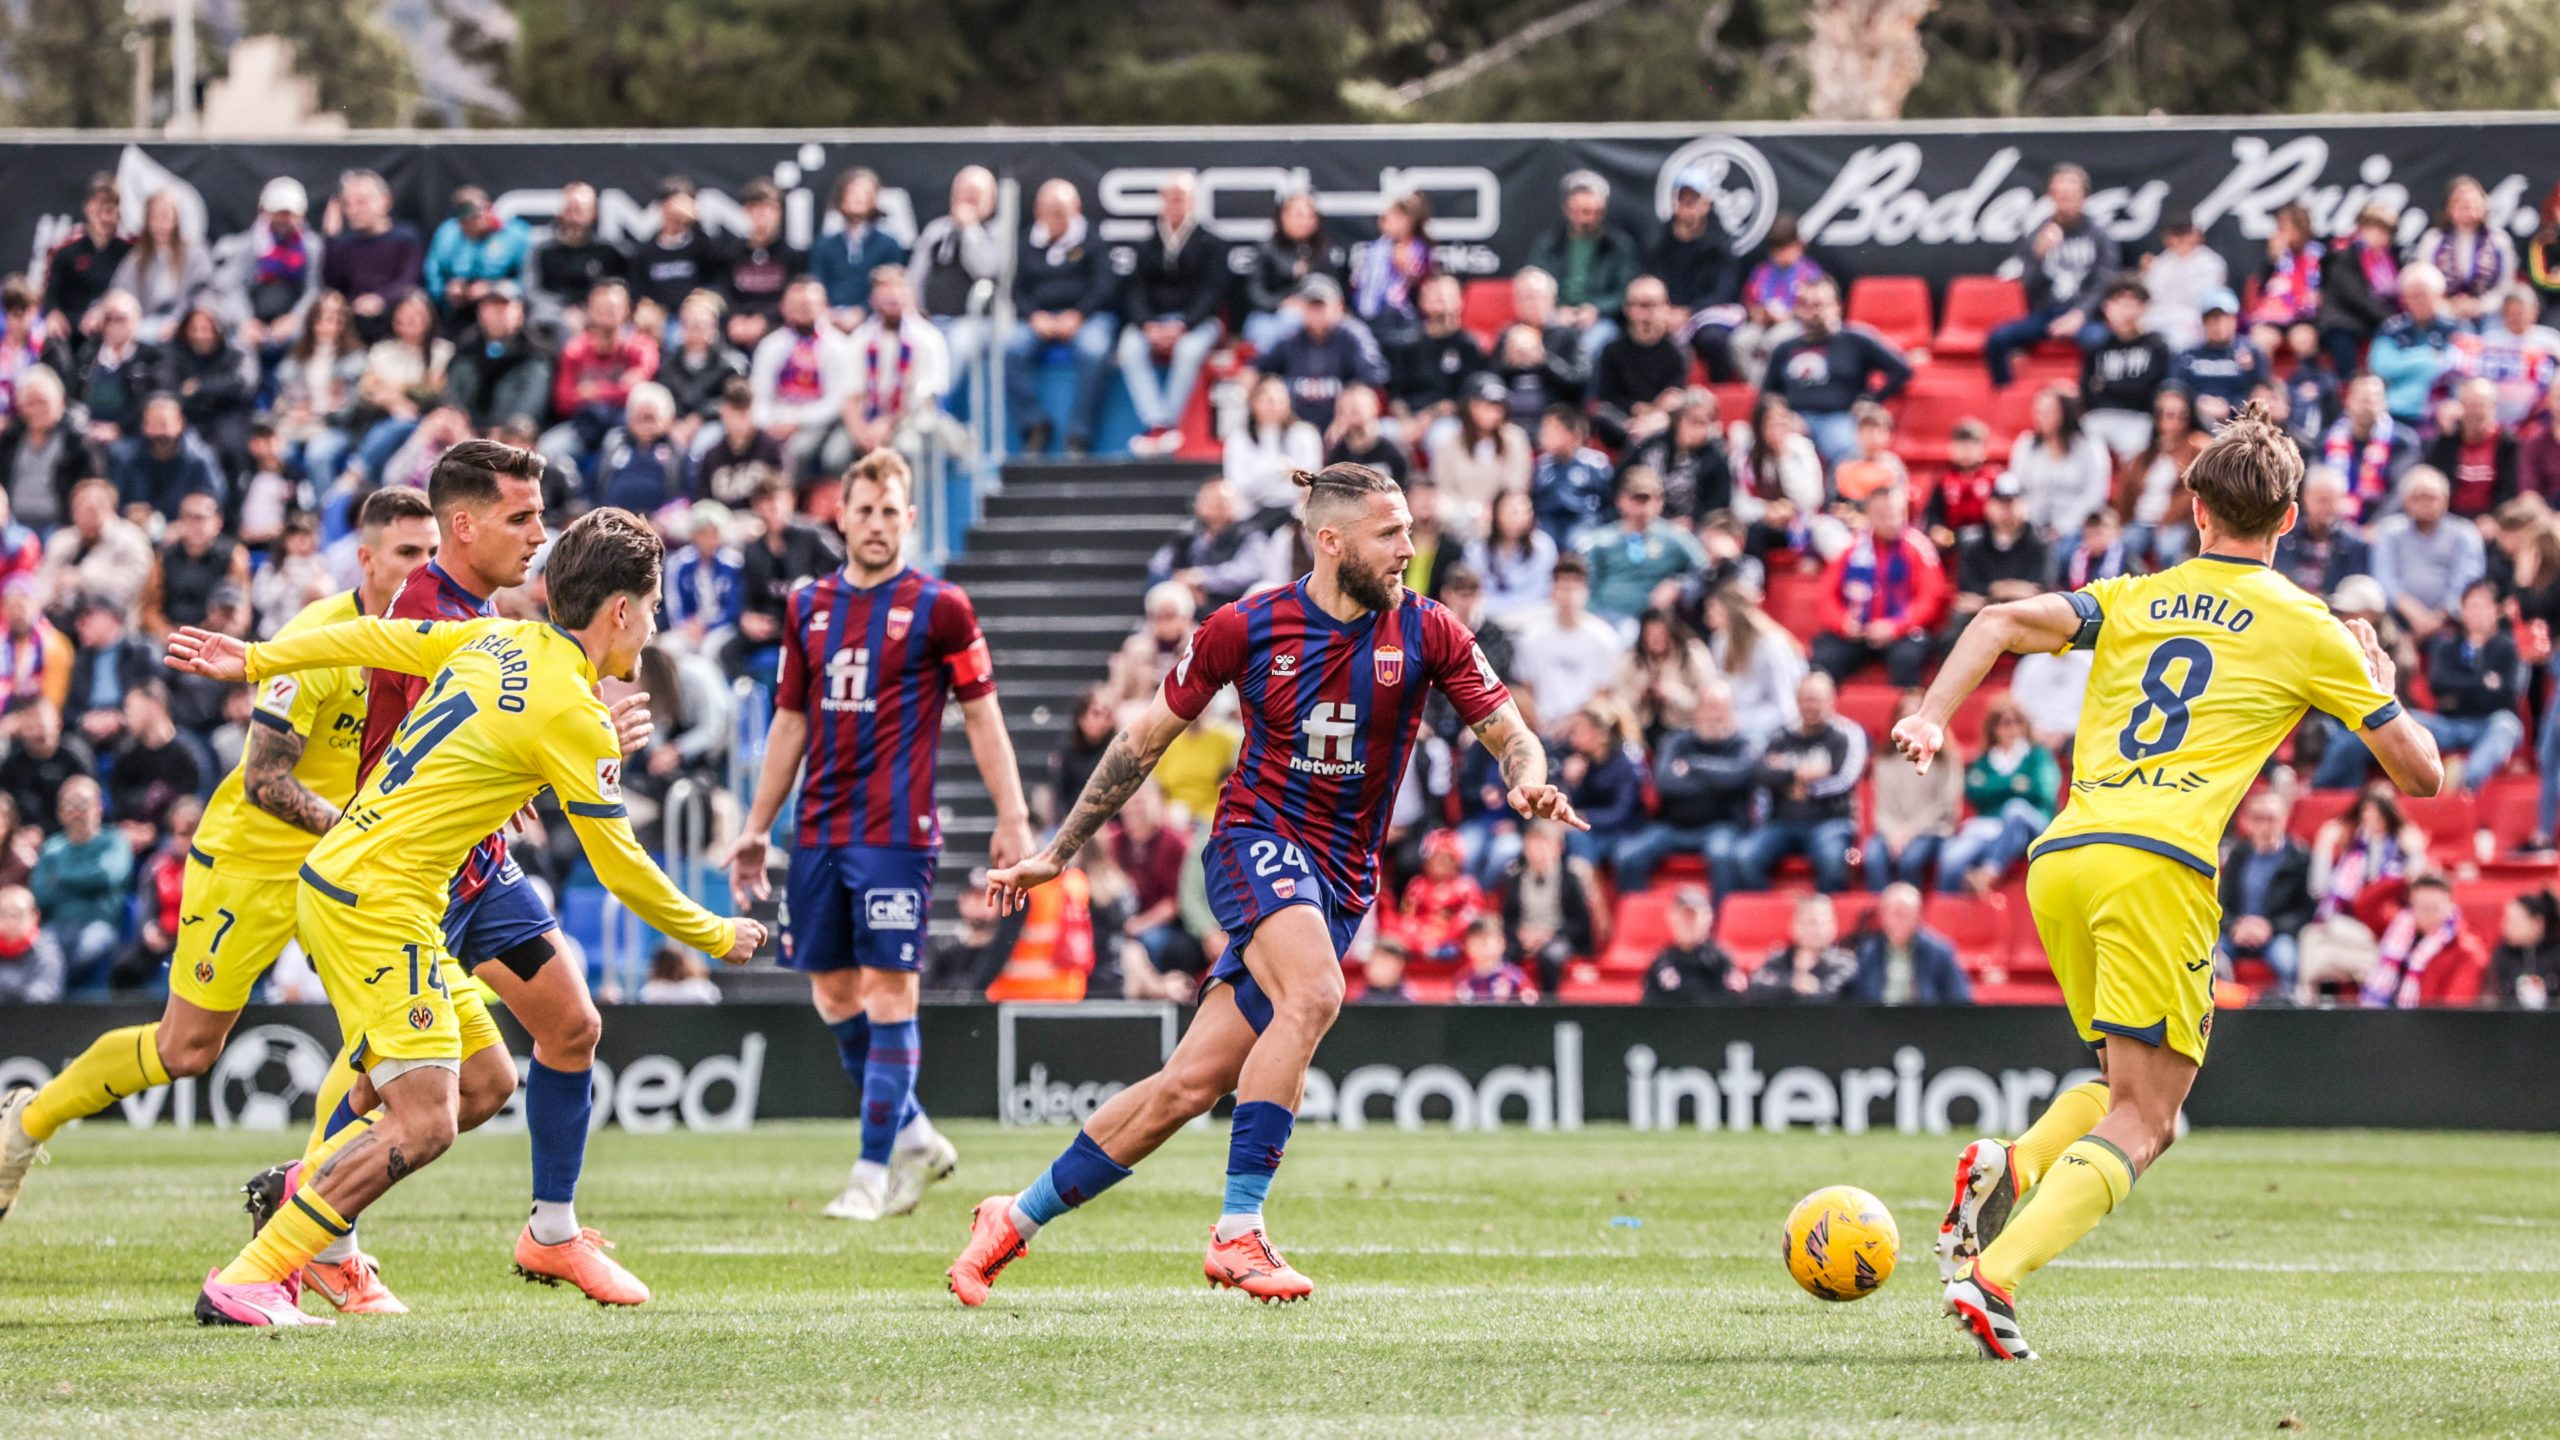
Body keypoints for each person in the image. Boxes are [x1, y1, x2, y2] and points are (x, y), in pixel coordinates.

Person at [949, 462, 1580, 1307]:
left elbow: (1511, 733)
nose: (1407, 550)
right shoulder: (1244, 626)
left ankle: (1011, 1219)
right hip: (1256, 839)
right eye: (1389, 534)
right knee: (1315, 994)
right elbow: (1142, 743)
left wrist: (1526, 778)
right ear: (1331, 541)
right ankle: (1238, 1231)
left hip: (1342, 881)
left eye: (1408, 533)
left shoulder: (1430, 631)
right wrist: (1059, 851)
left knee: (1186, 1087)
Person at [1894, 401, 2441, 1361]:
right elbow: (2421, 775)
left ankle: (2011, 1163)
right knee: (2150, 1118)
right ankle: (1994, 1277)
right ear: (2291, 518)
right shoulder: (2309, 626)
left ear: (2195, 508)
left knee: (2124, 1090)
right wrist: (2379, 676)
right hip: (2159, 867)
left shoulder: (2134, 595)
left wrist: (1935, 718)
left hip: (2064, 858)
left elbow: (1996, 619)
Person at [158, 505, 765, 1328]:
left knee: (484, 1080)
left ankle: (306, 1205)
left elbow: (375, 640)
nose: (651, 628)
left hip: (358, 880)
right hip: (381, 903)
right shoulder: (572, 711)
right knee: (426, 1118)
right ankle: (255, 1275)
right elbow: (622, 864)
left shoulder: (501, 641)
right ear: (620, 610)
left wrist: (262, 658)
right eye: (651, 608)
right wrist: (717, 931)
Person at [250, 446, 661, 1312]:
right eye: (522, 518)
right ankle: (319, 1232)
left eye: (543, 516)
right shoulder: (432, 610)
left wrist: (571, 751)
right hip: (416, 875)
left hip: (479, 863)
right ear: (463, 526)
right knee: (395, 1086)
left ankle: (552, 1231)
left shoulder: (490, 609)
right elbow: (425, 753)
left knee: (570, 1028)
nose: (540, 535)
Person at [0, 490, 437, 1236]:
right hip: (251, 862)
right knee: (187, 1048)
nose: (423, 569)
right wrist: (358, 834)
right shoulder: (319, 637)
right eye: (406, 554)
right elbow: (267, 783)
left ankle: (320, 1228)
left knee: (392, 1046)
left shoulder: (438, 641)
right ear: (365, 558)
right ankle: (24, 1124)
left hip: (348, 873)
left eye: (432, 555)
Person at [724, 450, 1024, 1218]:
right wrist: (758, 825)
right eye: (865, 510)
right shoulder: (808, 606)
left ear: (911, 519)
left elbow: (984, 714)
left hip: (896, 833)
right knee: (831, 992)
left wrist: (1012, 815)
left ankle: (870, 1171)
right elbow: (789, 720)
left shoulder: (941, 606)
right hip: (819, 828)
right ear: (841, 516)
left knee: (891, 993)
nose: (878, 524)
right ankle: (918, 1135)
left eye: (892, 511)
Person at [1005, 180, 1118, 457]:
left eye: (1061, 209)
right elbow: (1017, 289)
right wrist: (1034, 316)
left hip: (1087, 316)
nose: (1055, 215)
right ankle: (1034, 424)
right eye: (1050, 209)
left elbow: (1104, 286)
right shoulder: (1027, 240)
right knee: (1011, 348)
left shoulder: (1092, 239)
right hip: (1040, 319)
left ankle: (1079, 434)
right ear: (1038, 210)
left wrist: (1078, 315)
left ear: (1076, 209)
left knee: (1093, 350)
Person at [1116, 173, 1226, 457]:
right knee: (1129, 347)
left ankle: (1166, 425)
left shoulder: (1210, 243)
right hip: (1153, 322)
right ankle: (1157, 423)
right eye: (1171, 196)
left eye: (1183, 197)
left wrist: (1184, 324)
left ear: (1193, 201)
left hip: (1197, 323)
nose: (1177, 203)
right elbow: (1135, 291)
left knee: (1188, 351)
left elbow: (1211, 293)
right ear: (1162, 201)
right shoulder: (1147, 244)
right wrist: (1147, 325)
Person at [1985, 165, 2120, 388]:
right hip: (2046, 314)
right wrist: (2038, 256)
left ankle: (2090, 395)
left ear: (2084, 196)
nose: (2065, 200)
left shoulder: (2098, 235)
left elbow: (2105, 281)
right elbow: (2027, 287)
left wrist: (2080, 314)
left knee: (2102, 342)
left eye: (2071, 195)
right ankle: (2004, 393)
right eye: (2060, 195)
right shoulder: (2038, 232)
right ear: (2050, 197)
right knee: (1997, 339)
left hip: (2084, 315)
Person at [1614, 682, 1756, 891]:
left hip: (1721, 827)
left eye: (1721, 707)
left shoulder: (1742, 744)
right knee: (1627, 856)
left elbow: (1738, 777)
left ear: (1730, 711)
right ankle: (1639, 920)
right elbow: (1664, 783)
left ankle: (1722, 922)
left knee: (1723, 856)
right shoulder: (1676, 741)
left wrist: (1692, 767)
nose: (1714, 714)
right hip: (1672, 827)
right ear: (1697, 709)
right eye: (1709, 706)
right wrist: (1717, 782)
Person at [1733, 672, 1866, 893]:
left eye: (1816, 699)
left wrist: (1808, 788)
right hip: (1781, 822)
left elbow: (1844, 778)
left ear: (1831, 700)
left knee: (1833, 860)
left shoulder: (1848, 734)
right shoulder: (1780, 735)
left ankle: (1823, 922)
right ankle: (1770, 917)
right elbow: (1761, 773)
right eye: (1805, 699)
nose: (1810, 705)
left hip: (1831, 822)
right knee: (1744, 856)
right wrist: (1798, 775)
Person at [1761, 278, 1913, 465]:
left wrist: (1872, 400)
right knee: (1766, 450)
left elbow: (1901, 369)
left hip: (1840, 417)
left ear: (1837, 306)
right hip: (1795, 418)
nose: (1814, 311)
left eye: (1819, 304)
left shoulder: (1856, 340)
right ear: (1797, 309)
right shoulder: (1784, 348)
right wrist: (1782, 417)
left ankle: (1841, 495)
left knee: (1848, 454)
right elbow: (1768, 393)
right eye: (1806, 305)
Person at [1810, 487, 1948, 687]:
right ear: (1868, 516)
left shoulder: (1919, 548)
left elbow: (1931, 597)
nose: (1891, 520)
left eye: (1896, 514)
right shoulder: (1853, 548)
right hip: (1858, 631)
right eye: (1882, 515)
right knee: (1823, 661)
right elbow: (1826, 596)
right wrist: (1844, 623)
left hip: (1903, 632)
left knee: (1907, 659)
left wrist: (1896, 626)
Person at [1935, 695, 2060, 895]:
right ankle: (1951, 915)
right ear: (1994, 728)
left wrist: (1994, 787)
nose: (2012, 729)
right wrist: (2015, 783)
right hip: (1992, 828)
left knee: (2016, 810)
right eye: (2005, 723)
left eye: (2017, 722)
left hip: (2035, 824)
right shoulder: (1985, 759)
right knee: (1951, 857)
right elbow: (1973, 792)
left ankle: (1987, 874)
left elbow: (2042, 792)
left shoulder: (2038, 755)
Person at [1523, 171, 1639, 359]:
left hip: (1601, 320)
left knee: (1588, 350)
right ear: (1567, 209)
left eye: (1594, 212)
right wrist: (1556, 309)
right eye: (1581, 211)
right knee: (1547, 346)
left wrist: (1597, 308)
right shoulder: (1549, 245)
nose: (1587, 218)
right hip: (1555, 316)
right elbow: (1532, 283)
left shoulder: (1618, 246)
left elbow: (1626, 290)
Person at [1258, 275, 1388, 435]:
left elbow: (1372, 379)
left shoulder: (1354, 335)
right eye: (1311, 306)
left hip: (1344, 428)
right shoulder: (1291, 338)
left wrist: (1344, 416)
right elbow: (1256, 368)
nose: (1316, 313)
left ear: (1338, 306)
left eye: (1321, 306)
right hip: (1296, 427)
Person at [2369, 466, 2485, 643]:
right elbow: (2384, 577)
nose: (2425, 503)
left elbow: (2466, 579)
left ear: (2445, 500)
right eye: (2418, 497)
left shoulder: (2465, 533)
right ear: (2405, 501)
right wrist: (2414, 614)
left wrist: (2439, 616)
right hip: (2398, 621)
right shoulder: (2390, 531)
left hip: (2453, 624)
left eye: (2431, 497)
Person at [1509, 553, 1626, 728]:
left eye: (1574, 588)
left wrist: (1575, 724)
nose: (1568, 595)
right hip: (1542, 725)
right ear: (1552, 590)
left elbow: (1603, 694)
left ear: (1586, 591)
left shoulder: (1606, 639)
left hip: (1589, 728)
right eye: (1563, 587)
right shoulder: (1530, 637)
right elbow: (1527, 690)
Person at [1577, 468, 1708, 624]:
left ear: (1660, 502)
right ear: (1621, 500)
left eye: (1649, 499)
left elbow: (1704, 570)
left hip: (1655, 622)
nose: (1643, 507)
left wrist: (1678, 584)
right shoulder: (1601, 540)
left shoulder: (1675, 537)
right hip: (1608, 616)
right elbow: (1585, 583)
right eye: (1637, 499)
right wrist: (1593, 615)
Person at [909, 167, 1003, 381]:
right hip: (932, 318)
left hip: (976, 321)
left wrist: (969, 228)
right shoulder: (936, 230)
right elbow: (915, 277)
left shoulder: (998, 231)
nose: (967, 202)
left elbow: (986, 269)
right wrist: (915, 310)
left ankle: (938, 404)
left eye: (975, 196)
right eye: (963, 195)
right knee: (907, 341)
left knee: (956, 345)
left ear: (991, 200)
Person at [2218, 790, 2312, 999]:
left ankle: (2285, 1016)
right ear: (2248, 822)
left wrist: (2270, 927)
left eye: (2271, 818)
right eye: (2258, 818)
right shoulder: (2238, 855)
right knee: (2210, 960)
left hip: (2276, 934)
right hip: (2237, 932)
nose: (2265, 826)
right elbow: (2221, 903)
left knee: (2287, 962)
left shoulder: (2299, 857)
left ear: (2284, 819)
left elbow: (2305, 910)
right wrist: (2235, 925)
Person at [1867, 689, 1961, 891]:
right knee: (1873, 857)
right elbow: (1882, 808)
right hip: (1892, 831)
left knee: (1911, 860)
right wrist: (1894, 834)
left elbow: (1945, 805)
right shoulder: (1884, 761)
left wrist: (1909, 831)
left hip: (1933, 830)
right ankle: (1882, 915)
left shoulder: (1947, 759)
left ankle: (1910, 913)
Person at [318, 169, 424, 343]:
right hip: (352, 322)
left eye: (361, 202)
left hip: (393, 318)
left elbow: (409, 279)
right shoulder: (344, 244)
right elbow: (332, 283)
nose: (353, 210)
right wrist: (331, 240)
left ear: (385, 202)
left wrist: (380, 298)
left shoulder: (407, 237)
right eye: (347, 204)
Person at [1589, 275, 1691, 448]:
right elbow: (1607, 397)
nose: (1644, 314)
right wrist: (1636, 409)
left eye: (1650, 305)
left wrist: (1654, 414)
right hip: (1625, 422)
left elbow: (1672, 398)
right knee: (1602, 414)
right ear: (1626, 309)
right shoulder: (1612, 350)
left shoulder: (1679, 353)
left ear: (1666, 308)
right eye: (1636, 305)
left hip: (1660, 421)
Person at [1241, 189, 1348, 353]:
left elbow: (1334, 291)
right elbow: (1255, 294)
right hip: (1269, 316)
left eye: (1310, 216)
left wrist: (1312, 307)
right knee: (1278, 330)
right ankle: (1272, 376)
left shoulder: (1325, 252)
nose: (1305, 221)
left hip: (1314, 315)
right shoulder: (1267, 250)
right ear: (1282, 217)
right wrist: (1282, 303)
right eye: (1299, 215)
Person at [1388, 272, 1486, 445]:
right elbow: (1396, 395)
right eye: (1433, 294)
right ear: (1422, 301)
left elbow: (1467, 398)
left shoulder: (1468, 345)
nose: (1439, 298)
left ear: (1460, 301)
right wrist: (1406, 421)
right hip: (1410, 418)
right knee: (1380, 434)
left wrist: (1428, 418)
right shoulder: (1407, 343)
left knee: (1442, 438)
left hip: (1449, 421)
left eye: (1446, 294)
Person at [2360, 874, 2487, 1008]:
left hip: (2424, 1021)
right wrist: (2404, 879)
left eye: (2434, 908)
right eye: (2421, 907)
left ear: (2450, 906)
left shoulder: (2465, 951)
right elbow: (2364, 905)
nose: (2427, 915)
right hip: (2383, 1012)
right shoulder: (2399, 928)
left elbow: (2453, 1010)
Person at [1151, 478, 1274, 614]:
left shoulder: (1250, 534)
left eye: (1221, 500)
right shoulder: (1187, 533)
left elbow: (1250, 571)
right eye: (1209, 499)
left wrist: (1202, 578)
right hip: (1192, 604)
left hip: (1235, 603)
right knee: (1168, 594)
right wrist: (1182, 582)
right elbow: (1159, 565)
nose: (1215, 505)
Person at [444, 284, 553, 433]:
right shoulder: (466, 349)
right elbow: (452, 394)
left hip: (511, 437)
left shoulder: (534, 354)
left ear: (520, 313)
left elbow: (530, 408)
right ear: (480, 312)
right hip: (464, 434)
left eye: (504, 307)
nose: (497, 314)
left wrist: (504, 432)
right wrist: (456, 421)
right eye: (491, 307)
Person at [2080, 278, 2170, 459]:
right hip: (2100, 416)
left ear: (2144, 307)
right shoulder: (2098, 347)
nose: (2126, 312)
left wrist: (2106, 386)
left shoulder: (2156, 346)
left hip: (2139, 418)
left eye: (2132, 304)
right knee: (2077, 445)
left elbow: (2151, 391)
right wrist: (2129, 386)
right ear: (2107, 308)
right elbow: (2087, 391)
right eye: (2120, 305)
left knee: (2138, 454)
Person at [1429, 376, 1532, 529]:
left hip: (1502, 516)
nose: (1494, 412)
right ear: (1470, 406)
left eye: (1498, 406)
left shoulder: (1515, 439)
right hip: (1461, 519)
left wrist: (1494, 509)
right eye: (1487, 405)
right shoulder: (1448, 443)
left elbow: (1516, 484)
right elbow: (1444, 489)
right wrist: (1472, 512)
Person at [2012, 386, 2115, 540]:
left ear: (2066, 413)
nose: (2041, 417)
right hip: (2032, 526)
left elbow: (2095, 493)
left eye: (2049, 412)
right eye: (2039, 411)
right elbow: (2016, 489)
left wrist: (2063, 527)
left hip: (2077, 527)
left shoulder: (2089, 445)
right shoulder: (2026, 445)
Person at [113, 190, 214, 344]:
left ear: (176, 219)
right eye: (155, 217)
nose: (161, 224)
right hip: (147, 323)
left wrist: (181, 322)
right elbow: (120, 293)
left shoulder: (196, 253)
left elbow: (206, 291)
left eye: (166, 217)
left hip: (187, 321)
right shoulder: (137, 259)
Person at [527, 181, 627, 337]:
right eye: (569, 210)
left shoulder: (608, 250)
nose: (573, 217)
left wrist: (594, 312)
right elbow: (532, 291)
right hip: (554, 317)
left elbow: (624, 284)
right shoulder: (542, 250)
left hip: (599, 315)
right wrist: (562, 314)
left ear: (594, 213)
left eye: (579, 211)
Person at [809, 168, 907, 323]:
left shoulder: (888, 245)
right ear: (840, 197)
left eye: (865, 192)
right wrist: (828, 314)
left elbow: (892, 289)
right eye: (852, 192)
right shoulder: (824, 245)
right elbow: (816, 284)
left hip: (874, 322)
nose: (858, 198)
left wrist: (863, 313)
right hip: (828, 322)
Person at [2368, 263, 2460, 428]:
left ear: (2439, 295)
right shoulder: (2392, 328)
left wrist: (2403, 362)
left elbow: (2458, 366)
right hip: (2395, 411)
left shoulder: (2455, 327)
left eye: (2424, 295)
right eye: (2413, 296)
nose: (2419, 301)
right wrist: (2427, 357)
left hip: (2440, 414)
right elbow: (2381, 366)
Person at [1850, 884, 1973, 1004]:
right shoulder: (1869, 952)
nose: (1900, 920)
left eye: (1906, 914)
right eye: (1895, 913)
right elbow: (1859, 1001)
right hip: (1879, 1022)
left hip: (1925, 1021)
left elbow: (1960, 999)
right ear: (1883, 916)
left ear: (1918, 916)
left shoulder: (1940, 952)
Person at [1223, 374, 1323, 523]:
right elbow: (1239, 485)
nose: (1275, 405)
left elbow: (1308, 482)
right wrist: (1278, 469)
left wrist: (1265, 477)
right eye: (1268, 400)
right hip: (1251, 513)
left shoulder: (1305, 434)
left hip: (1295, 513)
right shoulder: (1238, 439)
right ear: (1253, 402)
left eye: (1280, 399)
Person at [2416, 176, 2516, 326]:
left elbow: (2505, 286)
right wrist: (2447, 307)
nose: (2469, 208)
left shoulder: (2499, 240)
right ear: (2449, 208)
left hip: (2489, 317)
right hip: (2441, 317)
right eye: (2462, 204)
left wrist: (2480, 306)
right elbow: (2422, 282)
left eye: (2474, 203)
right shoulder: (2433, 240)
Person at [1953, 476, 2049, 628]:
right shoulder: (1972, 543)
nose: (2007, 511)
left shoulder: (2040, 543)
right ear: (1988, 507)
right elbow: (1968, 592)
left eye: (2012, 504)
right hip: (1980, 619)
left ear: (2025, 507)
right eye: (2001, 504)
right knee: (1958, 625)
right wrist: (2009, 590)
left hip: (2026, 621)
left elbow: (2041, 591)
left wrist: (1988, 599)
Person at [423, 186, 530, 322]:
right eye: (465, 222)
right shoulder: (448, 233)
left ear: (489, 209)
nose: (473, 225)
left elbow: (528, 279)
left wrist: (494, 288)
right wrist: (446, 291)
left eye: (477, 217)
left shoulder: (515, 235)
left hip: (502, 308)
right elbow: (432, 272)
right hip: (457, 311)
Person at [2319, 373, 2417, 520]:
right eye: (2363, 399)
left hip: (2385, 528)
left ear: (2385, 402)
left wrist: (2377, 525)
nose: (2368, 405)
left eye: (2375, 398)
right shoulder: (2326, 440)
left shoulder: (2403, 442)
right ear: (2348, 400)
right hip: (2334, 525)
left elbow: (2400, 491)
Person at [2318, 203, 2401, 376]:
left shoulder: (2391, 259)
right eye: (2373, 228)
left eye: (2385, 231)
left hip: (2373, 322)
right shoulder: (2344, 256)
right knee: (2344, 345)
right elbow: (2356, 296)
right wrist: (2392, 320)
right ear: (2361, 228)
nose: (2379, 235)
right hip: (2343, 321)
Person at [42, 175, 130, 335]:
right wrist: (53, 313)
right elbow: (51, 295)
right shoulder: (66, 250)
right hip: (71, 328)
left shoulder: (129, 252)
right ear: (87, 207)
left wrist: (103, 311)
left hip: (114, 327)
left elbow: (134, 295)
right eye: (98, 208)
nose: (103, 217)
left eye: (109, 208)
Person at [2168, 289, 2270, 423]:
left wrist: (2231, 407)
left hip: (2242, 422)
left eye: (2224, 318)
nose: (2219, 325)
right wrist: (2198, 402)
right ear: (2204, 322)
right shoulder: (2187, 355)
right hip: (2193, 422)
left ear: (2234, 320)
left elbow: (2262, 391)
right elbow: (2174, 389)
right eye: (2213, 319)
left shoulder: (2252, 352)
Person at [2423, 377, 2519, 519]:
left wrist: (2494, 518)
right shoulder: (2446, 442)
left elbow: (2509, 490)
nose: (2475, 412)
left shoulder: (2508, 444)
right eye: (2470, 405)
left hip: (2492, 519)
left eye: (2481, 405)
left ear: (2493, 407)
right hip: (2448, 518)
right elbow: (2432, 478)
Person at [1349, 192, 1433, 349]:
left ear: (1408, 222)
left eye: (1392, 218)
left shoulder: (1418, 249)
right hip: (1367, 314)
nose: (1384, 222)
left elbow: (1418, 283)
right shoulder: (1376, 248)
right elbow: (1362, 282)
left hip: (1400, 318)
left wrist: (1406, 269)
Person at [2273, 467, 2374, 596]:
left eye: (2331, 500)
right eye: (2321, 500)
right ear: (2306, 497)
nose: (2325, 508)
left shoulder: (2355, 545)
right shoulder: (2284, 537)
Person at [1464, 487, 1557, 626]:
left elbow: (1541, 591)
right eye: (1512, 512)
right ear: (1496, 513)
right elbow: (1476, 592)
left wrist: (1511, 613)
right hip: (1489, 618)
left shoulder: (1544, 546)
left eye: (1523, 512)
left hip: (1531, 616)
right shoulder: (1476, 549)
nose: (1517, 518)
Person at [1746, 893, 1858, 1002]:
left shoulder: (1844, 963)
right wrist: (1792, 984)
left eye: (1825, 922)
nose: (1820, 929)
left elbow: (1826, 995)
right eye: (1813, 922)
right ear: (1795, 926)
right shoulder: (1778, 957)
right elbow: (1754, 988)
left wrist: (1782, 989)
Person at [2143, 211, 2226, 355]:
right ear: (2167, 238)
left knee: (2180, 340)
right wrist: (2146, 273)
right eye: (2176, 235)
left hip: (2194, 318)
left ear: (2197, 235)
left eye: (2187, 233)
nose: (2182, 239)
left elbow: (2203, 301)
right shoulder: (2162, 263)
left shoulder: (2211, 262)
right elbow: (2153, 298)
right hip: (2162, 317)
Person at [1642, 886, 1737, 1003]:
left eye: (1693, 917)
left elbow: (1733, 1004)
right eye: (1683, 917)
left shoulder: (1720, 959)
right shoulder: (1661, 962)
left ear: (1708, 919)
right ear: (1672, 918)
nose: (1687, 924)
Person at [2484, 889, 2559, 1009]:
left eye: (2514, 922)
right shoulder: (2501, 955)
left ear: (2538, 923)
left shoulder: (2556, 955)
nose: (2505, 927)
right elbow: (2490, 999)